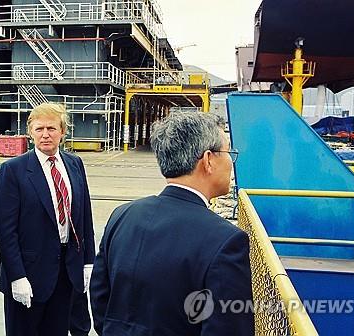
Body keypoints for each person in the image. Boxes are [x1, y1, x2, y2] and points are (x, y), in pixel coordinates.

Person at [90, 112, 254, 335]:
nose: (230, 161)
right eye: (228, 153)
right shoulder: (225, 240)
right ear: (208, 160)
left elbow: (100, 299)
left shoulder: (123, 215)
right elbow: (228, 328)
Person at [0, 102, 96, 336]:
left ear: (63, 132)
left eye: (51, 128)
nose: (45, 134)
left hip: (65, 272)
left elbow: (84, 217)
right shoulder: (13, 171)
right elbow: (5, 232)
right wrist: (17, 276)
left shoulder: (74, 164)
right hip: (28, 275)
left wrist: (88, 260)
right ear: (30, 132)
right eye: (39, 129)